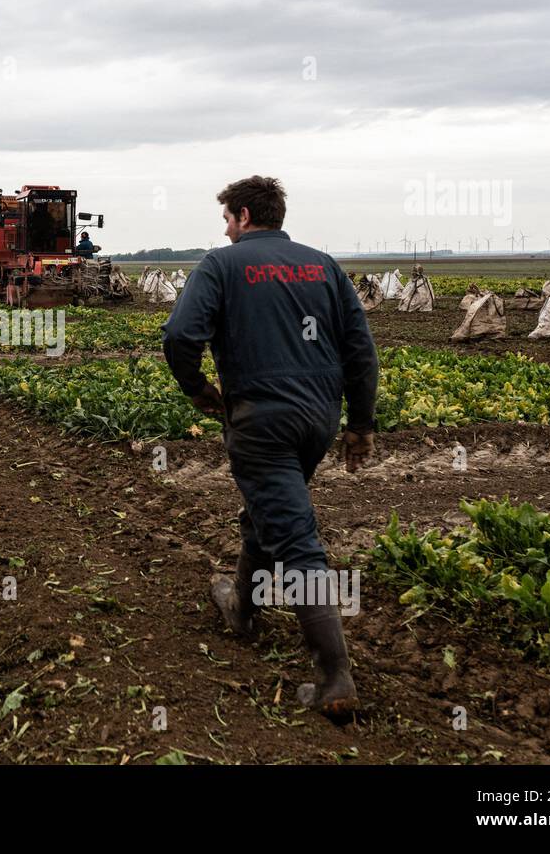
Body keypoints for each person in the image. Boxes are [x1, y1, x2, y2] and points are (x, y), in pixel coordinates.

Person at [160, 175, 377, 721]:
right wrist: (361, 424)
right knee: (272, 511)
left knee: (296, 538)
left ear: (244, 216)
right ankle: (241, 606)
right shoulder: (322, 266)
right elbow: (360, 348)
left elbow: (180, 336)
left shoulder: (221, 265)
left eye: (228, 219)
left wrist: (199, 391)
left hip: (261, 420)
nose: (226, 230)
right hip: (318, 421)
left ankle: (334, 677)